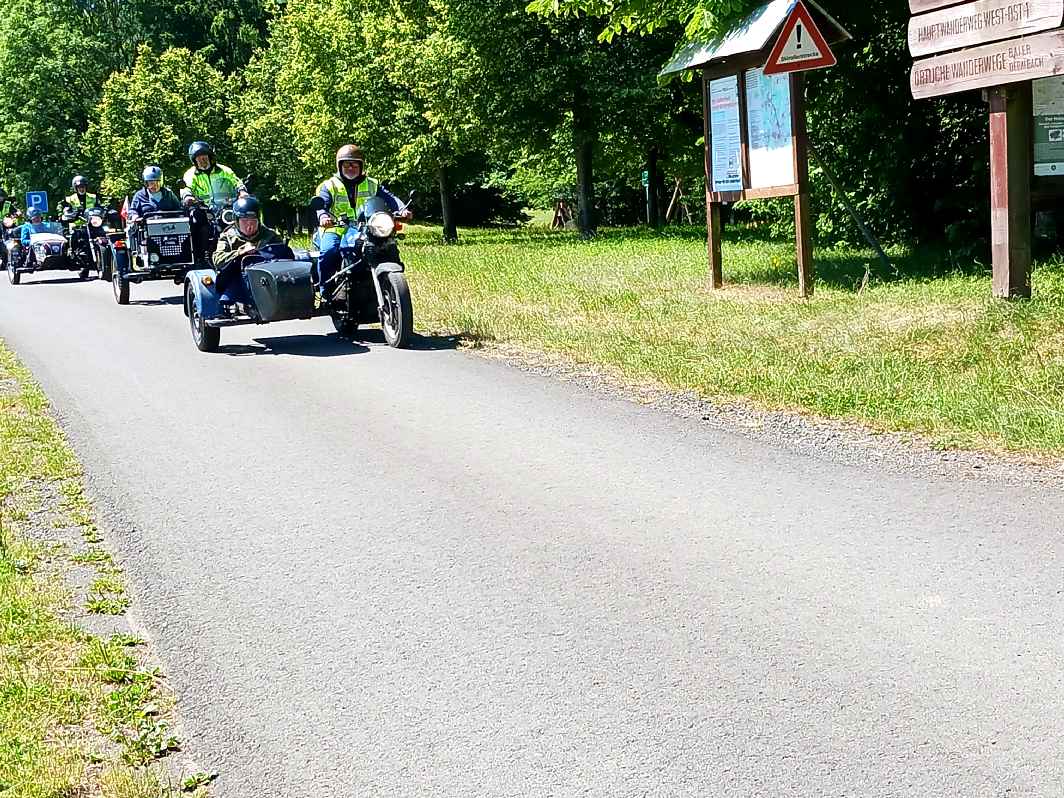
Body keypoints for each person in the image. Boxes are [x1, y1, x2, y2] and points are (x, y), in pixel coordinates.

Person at [314, 144, 410, 299]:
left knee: (388, 246)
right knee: (329, 251)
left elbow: (391, 199)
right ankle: (326, 292)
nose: (351, 168)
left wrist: (402, 209)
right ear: (339, 166)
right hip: (336, 228)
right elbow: (321, 205)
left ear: (361, 166)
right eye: (347, 164)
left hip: (367, 227)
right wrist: (323, 216)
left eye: (355, 164)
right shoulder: (328, 185)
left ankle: (393, 287)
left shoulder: (372, 183)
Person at [181, 142, 248, 265]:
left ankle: (251, 249)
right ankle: (199, 257)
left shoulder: (224, 170)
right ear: (194, 160)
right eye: (199, 158)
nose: (202, 160)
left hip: (226, 206)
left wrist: (242, 191)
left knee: (246, 217)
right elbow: (187, 188)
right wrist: (188, 197)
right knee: (196, 222)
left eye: (204, 156)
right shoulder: (191, 174)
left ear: (210, 157)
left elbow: (236, 181)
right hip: (203, 208)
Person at [212, 196, 284, 293]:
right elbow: (217, 259)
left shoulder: (270, 236)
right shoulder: (227, 237)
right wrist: (239, 252)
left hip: (270, 283)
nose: (249, 226)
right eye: (245, 222)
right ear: (237, 221)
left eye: (253, 222)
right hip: (239, 285)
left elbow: (284, 257)